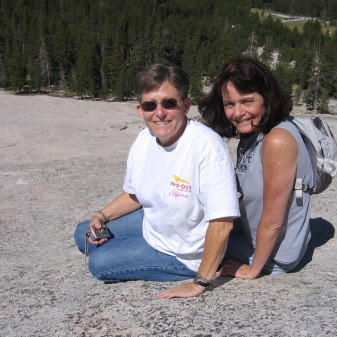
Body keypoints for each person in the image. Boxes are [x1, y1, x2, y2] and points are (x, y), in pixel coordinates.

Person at [74, 63, 240, 299]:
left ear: (185, 105)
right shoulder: (144, 139)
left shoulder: (207, 147)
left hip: (185, 251)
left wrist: (200, 282)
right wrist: (102, 216)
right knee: (84, 232)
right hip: (155, 224)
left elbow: (222, 223)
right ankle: (127, 244)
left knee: (100, 263)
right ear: (140, 110)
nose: (159, 113)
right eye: (150, 105)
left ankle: (170, 265)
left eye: (169, 103)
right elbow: (135, 194)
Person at [199, 56, 314, 279]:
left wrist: (253, 270)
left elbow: (273, 221)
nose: (237, 112)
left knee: (185, 245)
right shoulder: (255, 132)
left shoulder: (277, 140)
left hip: (275, 255)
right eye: (229, 104)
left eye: (247, 101)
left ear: (266, 98)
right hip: (252, 236)